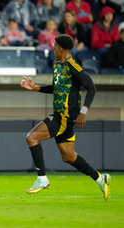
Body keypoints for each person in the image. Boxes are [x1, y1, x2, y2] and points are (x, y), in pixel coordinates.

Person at [20, 34, 110, 201]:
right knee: (68, 156)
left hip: (65, 116)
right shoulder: (58, 66)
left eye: (54, 46)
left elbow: (91, 87)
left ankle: (42, 179)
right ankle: (99, 178)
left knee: (31, 137)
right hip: (62, 116)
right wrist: (36, 88)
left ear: (61, 48)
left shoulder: (72, 66)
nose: (53, 49)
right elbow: (57, 88)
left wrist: (84, 111)